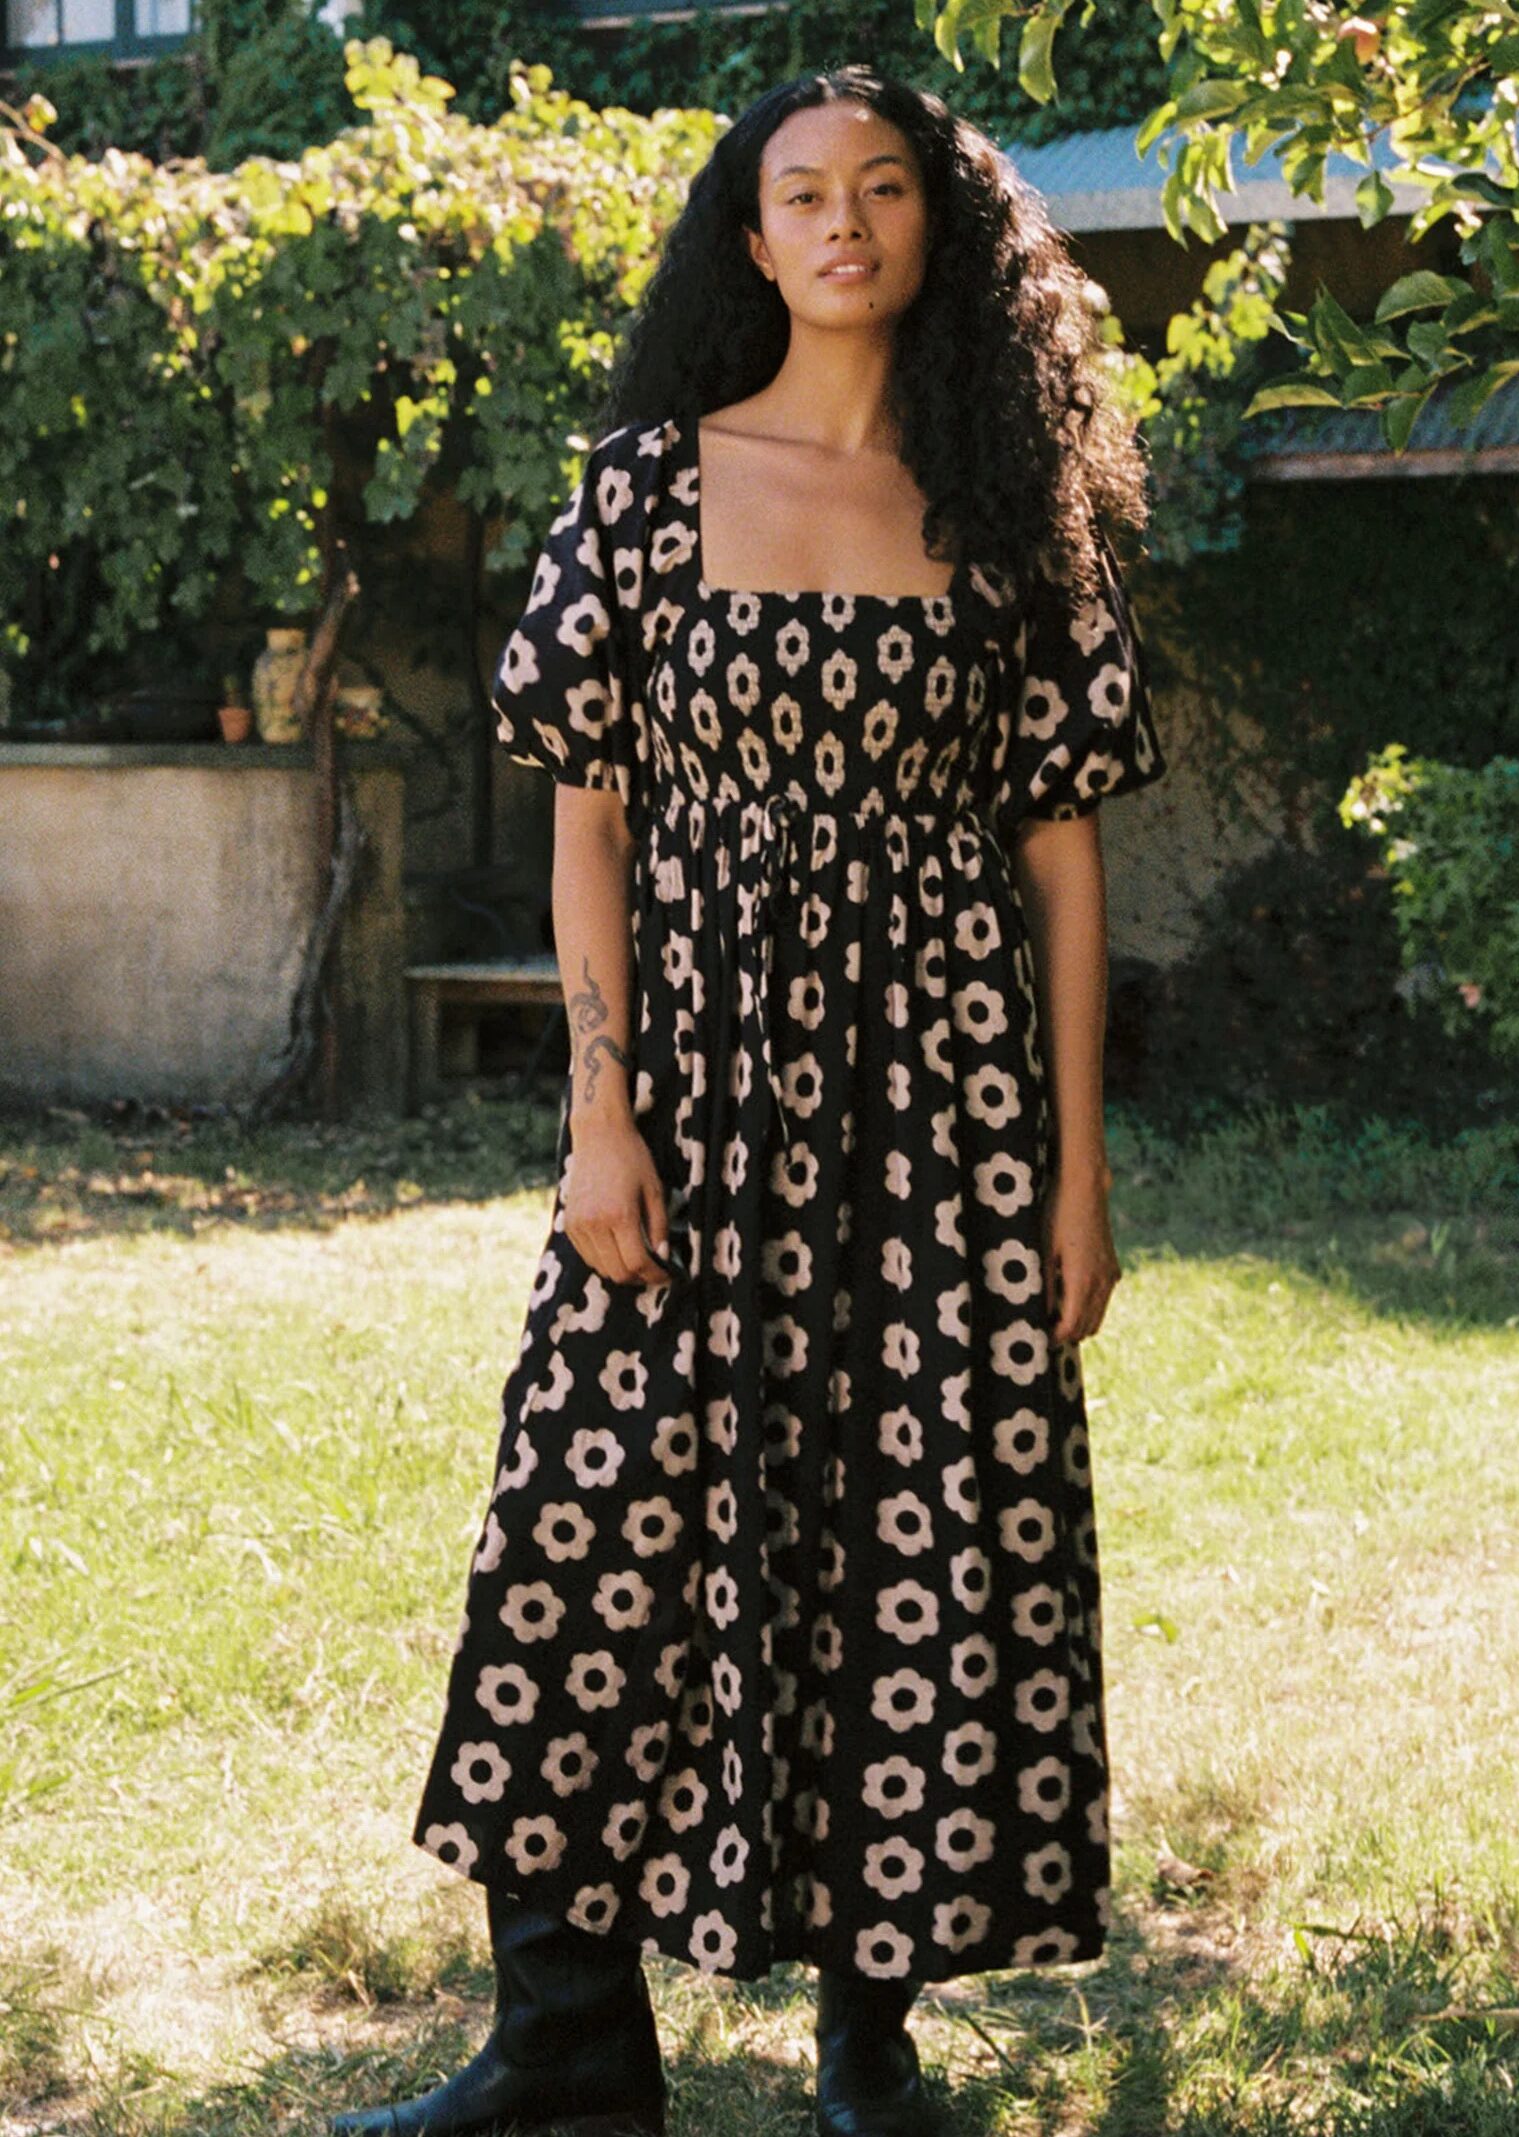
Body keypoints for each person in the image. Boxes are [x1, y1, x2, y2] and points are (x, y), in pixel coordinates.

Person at [331, 61, 1165, 2137]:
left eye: (885, 188)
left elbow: (1063, 860)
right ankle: (567, 2044)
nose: (843, 222)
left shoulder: (1011, 514)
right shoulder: (644, 485)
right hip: (689, 1094)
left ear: (938, 230)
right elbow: (587, 824)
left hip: (943, 1103)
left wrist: (1076, 1168)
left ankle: (867, 2047)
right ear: (748, 235)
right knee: (582, 1520)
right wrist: (594, 1114)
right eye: (800, 192)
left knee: (917, 1542)